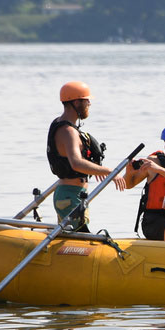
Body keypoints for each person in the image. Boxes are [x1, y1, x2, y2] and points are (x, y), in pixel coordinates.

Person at [46, 81, 112, 232]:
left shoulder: (59, 123)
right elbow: (76, 163)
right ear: (76, 102)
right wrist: (107, 171)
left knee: (72, 236)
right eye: (86, 100)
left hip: (69, 193)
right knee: (80, 237)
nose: (89, 103)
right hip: (70, 195)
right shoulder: (68, 131)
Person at [118, 123, 165, 241]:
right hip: (155, 221)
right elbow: (128, 184)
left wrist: (160, 170)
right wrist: (129, 173)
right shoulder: (154, 162)